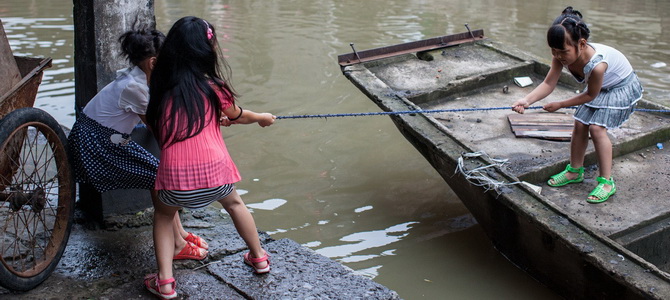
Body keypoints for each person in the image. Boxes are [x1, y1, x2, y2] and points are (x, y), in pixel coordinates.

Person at [144, 16, 276, 299]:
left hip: (174, 183)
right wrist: (263, 118)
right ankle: (259, 258)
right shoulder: (214, 87)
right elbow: (240, 116)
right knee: (235, 204)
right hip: (218, 178)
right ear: (206, 50)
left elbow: (159, 126)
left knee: (164, 217)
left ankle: (165, 282)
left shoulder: (159, 87)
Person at [67, 27, 209, 263]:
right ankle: (175, 244)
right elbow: (160, 127)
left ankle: (180, 234)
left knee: (157, 173)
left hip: (106, 136)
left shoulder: (136, 78)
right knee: (159, 178)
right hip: (96, 144)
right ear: (154, 63)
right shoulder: (135, 88)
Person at [512, 6, 642, 203]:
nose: (557, 55)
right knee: (580, 124)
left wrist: (560, 104)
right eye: (553, 51)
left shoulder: (597, 66)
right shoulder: (560, 56)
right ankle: (575, 171)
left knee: (597, 129)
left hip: (618, 87)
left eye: (562, 51)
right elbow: (548, 83)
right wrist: (527, 100)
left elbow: (590, 95)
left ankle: (607, 182)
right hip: (598, 88)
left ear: (581, 44)